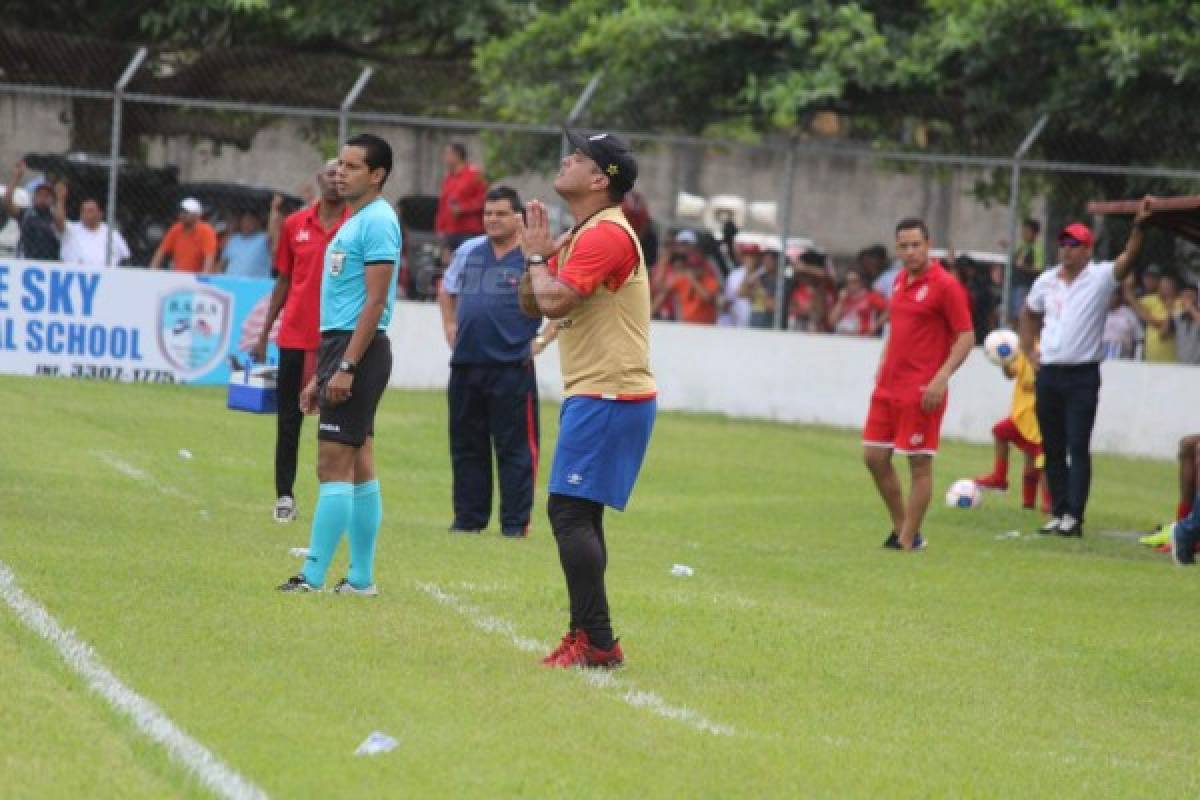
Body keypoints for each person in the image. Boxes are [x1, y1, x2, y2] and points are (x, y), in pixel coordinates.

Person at [518, 128, 656, 669]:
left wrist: (535, 261)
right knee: (578, 515)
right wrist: (537, 261)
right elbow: (534, 305)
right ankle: (589, 635)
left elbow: (551, 302)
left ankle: (597, 640)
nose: (565, 159)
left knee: (569, 513)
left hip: (610, 392)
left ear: (600, 178)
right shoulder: (587, 231)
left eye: (576, 157)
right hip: (601, 392)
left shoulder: (604, 235)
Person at [277, 133, 401, 595]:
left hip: (357, 349)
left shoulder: (379, 222)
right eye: (339, 165)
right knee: (360, 461)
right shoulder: (358, 219)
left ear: (377, 175)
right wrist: (324, 371)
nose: (339, 173)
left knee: (332, 465)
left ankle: (311, 576)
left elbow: (374, 300)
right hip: (342, 348)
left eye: (351, 166)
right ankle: (361, 580)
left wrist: (347, 366)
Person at [1018, 198, 1152, 537]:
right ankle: (1058, 509)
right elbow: (1029, 312)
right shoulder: (1046, 280)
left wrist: (1138, 226)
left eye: (1074, 245)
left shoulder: (1099, 277)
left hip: (1081, 375)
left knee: (1077, 445)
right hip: (1049, 371)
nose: (1066, 250)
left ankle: (1074, 516)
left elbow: (1128, 258)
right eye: (1063, 243)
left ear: (1087, 250)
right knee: (1052, 445)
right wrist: (1028, 349)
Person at [437, 186, 553, 537]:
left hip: (511, 366)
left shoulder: (533, 258)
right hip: (467, 363)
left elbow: (562, 302)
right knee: (466, 445)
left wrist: (542, 340)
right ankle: (469, 519)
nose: (492, 220)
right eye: (488, 213)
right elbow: (447, 288)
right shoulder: (470, 251)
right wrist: (449, 323)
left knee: (515, 448)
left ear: (518, 218)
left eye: (500, 214)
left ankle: (515, 524)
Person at [863, 218, 975, 551]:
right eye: (904, 246)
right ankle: (903, 529)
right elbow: (898, 328)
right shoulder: (899, 280)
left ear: (928, 245)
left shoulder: (945, 285)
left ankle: (908, 539)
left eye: (916, 245)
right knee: (873, 457)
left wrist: (941, 378)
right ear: (897, 249)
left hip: (922, 388)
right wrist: (884, 360)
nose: (910, 252)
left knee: (918, 463)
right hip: (889, 385)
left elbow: (967, 336)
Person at [251, 160, 348, 523]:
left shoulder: (356, 225)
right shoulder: (295, 225)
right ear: (318, 181)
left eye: (342, 174)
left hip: (335, 339)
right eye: (329, 174)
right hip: (294, 335)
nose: (336, 180)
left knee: (337, 423)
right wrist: (265, 333)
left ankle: (334, 498)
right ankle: (284, 496)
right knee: (289, 420)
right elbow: (284, 281)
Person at [971, 346, 1050, 511]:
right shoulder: (1024, 350)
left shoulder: (1047, 350)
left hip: (1040, 419)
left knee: (1041, 462)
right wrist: (1004, 361)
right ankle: (1000, 478)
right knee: (1000, 432)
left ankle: (1048, 503)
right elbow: (1010, 374)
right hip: (1020, 417)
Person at [434, 142, 487, 258]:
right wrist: (440, 230)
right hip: (449, 233)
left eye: (447, 154)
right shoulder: (449, 178)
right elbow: (442, 206)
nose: (445, 158)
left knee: (468, 264)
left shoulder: (474, 175)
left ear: (457, 155)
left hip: (469, 232)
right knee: (449, 267)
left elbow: (484, 200)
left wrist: (463, 208)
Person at [3, 162, 61, 261]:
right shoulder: (26, 214)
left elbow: (60, 224)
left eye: (47, 196)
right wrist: (16, 178)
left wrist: (60, 198)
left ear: (52, 200)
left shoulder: (54, 217)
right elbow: (7, 202)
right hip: (27, 260)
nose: (43, 198)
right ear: (33, 198)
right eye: (39, 195)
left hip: (50, 263)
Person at [58, 192, 131, 268]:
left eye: (90, 211)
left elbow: (125, 258)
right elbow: (59, 220)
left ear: (100, 214)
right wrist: (60, 199)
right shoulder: (71, 229)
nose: (85, 214)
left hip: (107, 277)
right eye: (83, 210)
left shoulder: (111, 233)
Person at [651, 245, 721, 324]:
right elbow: (662, 291)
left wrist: (693, 280)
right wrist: (651, 314)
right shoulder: (682, 280)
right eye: (691, 267)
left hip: (706, 326)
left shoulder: (710, 281)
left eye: (697, 267)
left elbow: (707, 298)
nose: (693, 270)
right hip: (687, 325)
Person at [150, 198, 218, 273]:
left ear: (196, 215)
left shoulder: (206, 231)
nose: (182, 214)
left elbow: (209, 258)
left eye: (186, 212)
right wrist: (152, 272)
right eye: (181, 211)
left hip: (196, 277)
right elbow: (161, 251)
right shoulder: (176, 228)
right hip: (178, 275)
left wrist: (203, 278)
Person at [1126, 270, 1179, 363]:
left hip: (1172, 358)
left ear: (1174, 288)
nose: (1164, 288)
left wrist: (1150, 319)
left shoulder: (1180, 303)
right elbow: (1132, 301)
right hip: (1150, 357)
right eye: (1162, 285)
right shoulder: (1151, 299)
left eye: (1167, 286)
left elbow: (1166, 328)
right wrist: (1128, 286)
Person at [828, 268, 887, 336]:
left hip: (861, 336)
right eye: (848, 282)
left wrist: (876, 326)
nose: (851, 285)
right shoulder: (843, 297)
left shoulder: (871, 296)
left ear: (862, 282)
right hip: (842, 334)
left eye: (854, 281)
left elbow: (888, 310)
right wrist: (840, 301)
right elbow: (831, 322)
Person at [1009, 218, 1045, 322]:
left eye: (1027, 231)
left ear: (1034, 233)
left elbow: (1039, 269)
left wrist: (1023, 266)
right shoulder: (1021, 246)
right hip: (1014, 284)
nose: (1024, 234)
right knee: (1012, 315)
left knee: (1021, 315)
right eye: (1023, 231)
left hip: (1025, 286)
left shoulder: (1037, 248)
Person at [220, 210, 272, 278]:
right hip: (230, 281)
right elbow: (222, 263)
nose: (246, 223)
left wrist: (274, 209)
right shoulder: (234, 239)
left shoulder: (264, 239)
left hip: (254, 285)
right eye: (244, 220)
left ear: (258, 223)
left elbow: (273, 232)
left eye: (250, 220)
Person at [718, 240, 757, 327]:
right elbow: (729, 298)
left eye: (752, 255)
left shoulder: (762, 273)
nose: (749, 258)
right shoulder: (735, 274)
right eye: (746, 255)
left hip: (756, 322)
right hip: (736, 322)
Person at [1101, 288, 1141, 359]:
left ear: (1118, 296)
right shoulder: (1101, 314)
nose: (1109, 298)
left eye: (1112, 295)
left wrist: (1136, 359)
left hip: (1123, 358)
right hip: (1102, 357)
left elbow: (1139, 338)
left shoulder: (1129, 314)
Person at [1173, 283, 1200, 365]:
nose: (1188, 299)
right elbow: (1162, 333)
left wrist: (1191, 308)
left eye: (1191, 296)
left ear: (1197, 297)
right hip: (1182, 366)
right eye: (1185, 296)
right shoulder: (1177, 317)